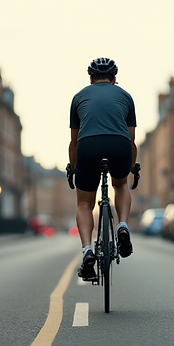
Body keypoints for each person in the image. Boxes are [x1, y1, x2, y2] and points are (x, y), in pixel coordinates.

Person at [68, 57, 137, 280]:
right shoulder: (126, 96)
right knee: (120, 184)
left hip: (88, 145)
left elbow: (74, 141)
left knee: (85, 203)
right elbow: (132, 139)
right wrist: (132, 166)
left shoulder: (78, 97)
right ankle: (123, 225)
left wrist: (73, 167)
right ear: (114, 78)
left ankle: (88, 249)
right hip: (119, 145)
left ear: (90, 79)